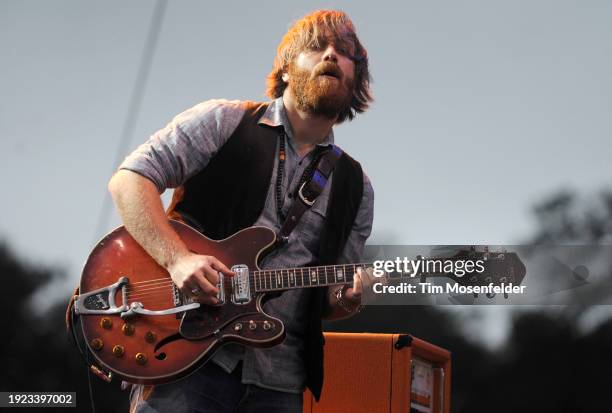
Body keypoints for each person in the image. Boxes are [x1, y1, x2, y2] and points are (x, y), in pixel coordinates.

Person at [108, 9, 374, 413]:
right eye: (317, 47)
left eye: (345, 52)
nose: (332, 55)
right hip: (188, 357)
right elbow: (129, 180)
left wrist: (351, 297)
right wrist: (178, 260)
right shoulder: (224, 121)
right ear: (285, 69)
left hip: (279, 383)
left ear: (356, 78)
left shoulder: (356, 186)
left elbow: (330, 299)